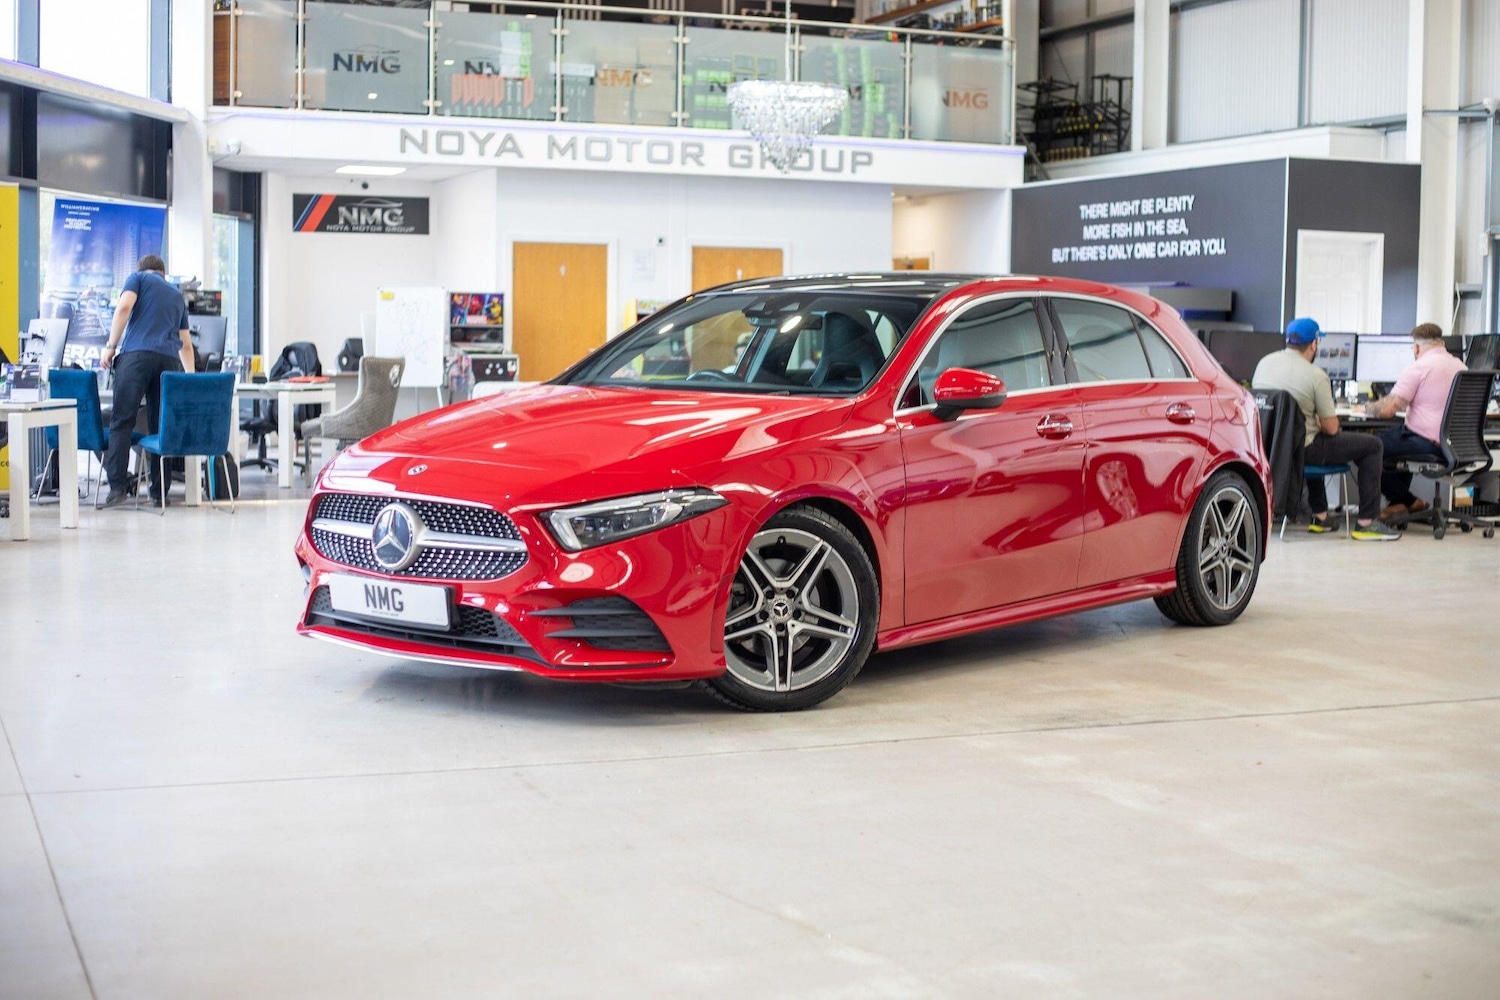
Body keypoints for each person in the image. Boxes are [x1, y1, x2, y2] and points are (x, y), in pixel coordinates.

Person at [1252, 317, 1398, 540]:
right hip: (1304, 451)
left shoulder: (1264, 363)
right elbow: (1331, 428)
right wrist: (1321, 421)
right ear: (1313, 344)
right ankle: (1367, 523)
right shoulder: (1316, 375)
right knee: (1373, 445)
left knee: (1309, 434)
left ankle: (1320, 516)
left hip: (1269, 448)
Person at [99, 254, 195, 509]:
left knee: (122, 420)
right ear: (163, 273)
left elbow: (124, 307)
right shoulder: (177, 296)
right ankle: (158, 493)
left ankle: (118, 489)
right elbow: (185, 344)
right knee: (159, 427)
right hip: (167, 362)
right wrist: (191, 379)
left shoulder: (137, 278)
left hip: (136, 357)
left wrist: (110, 346)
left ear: (143, 270)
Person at [1360, 322, 1467, 520]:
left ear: (1416, 348)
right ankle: (1399, 503)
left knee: (1368, 446)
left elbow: (1388, 410)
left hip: (1427, 442)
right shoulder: (1462, 367)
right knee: (1398, 438)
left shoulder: (1418, 368)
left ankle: (1407, 501)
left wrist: (1365, 407)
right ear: (1442, 343)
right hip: (1457, 444)